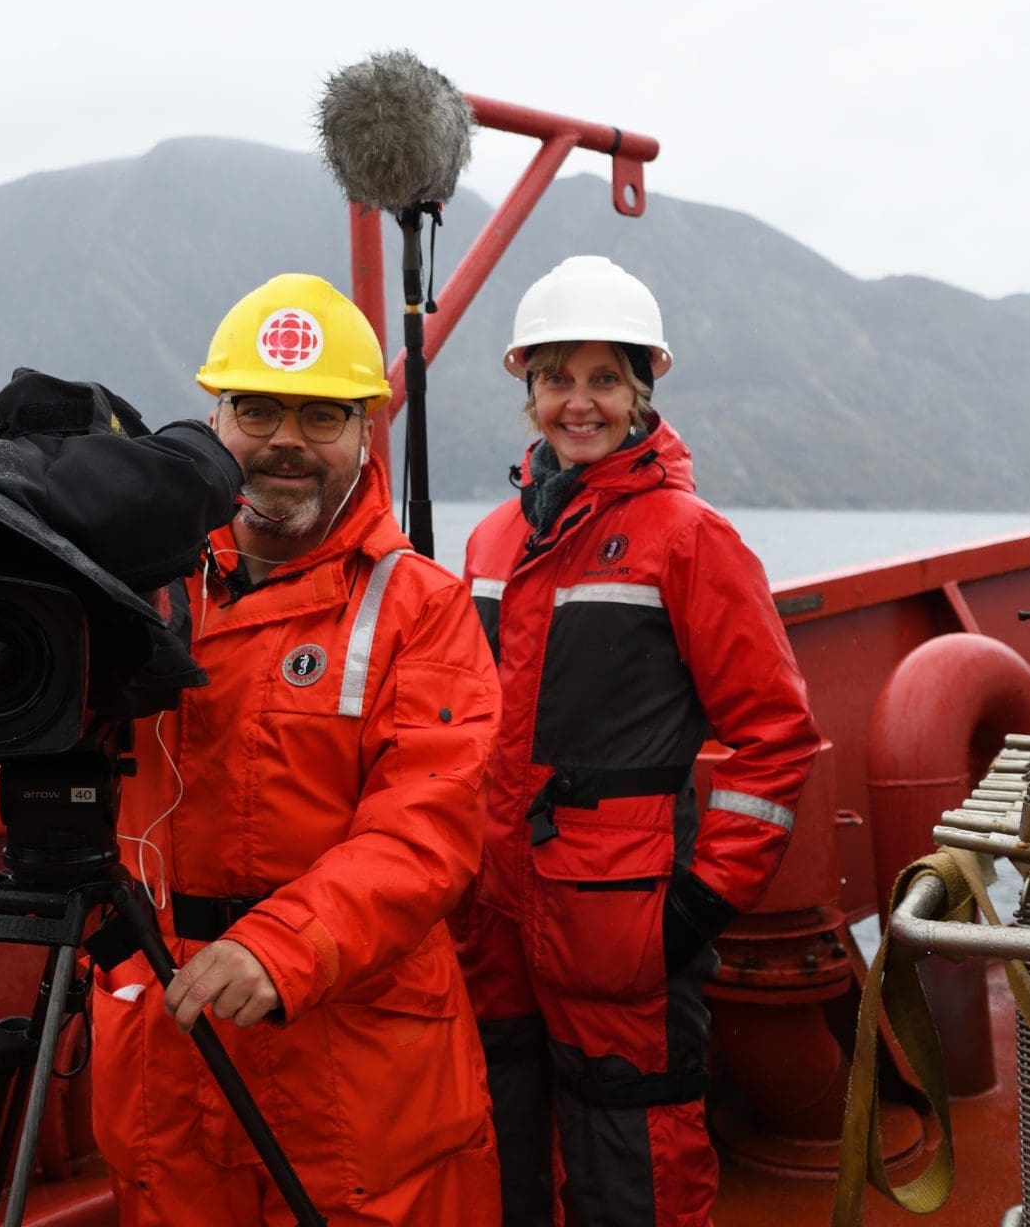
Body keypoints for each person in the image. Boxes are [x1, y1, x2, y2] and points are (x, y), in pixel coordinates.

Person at [89, 273, 503, 1225]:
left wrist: (280, 947)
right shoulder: (138, 587)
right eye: (258, 409)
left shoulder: (421, 610)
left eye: (321, 417)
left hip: (352, 1061)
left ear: (366, 434)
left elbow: (425, 835)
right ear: (214, 420)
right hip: (167, 1032)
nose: (285, 441)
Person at [458, 255, 820, 1226]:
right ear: (527, 390)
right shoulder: (491, 542)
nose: (580, 403)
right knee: (503, 1149)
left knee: (637, 1170)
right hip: (496, 915)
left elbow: (774, 735)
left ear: (641, 391)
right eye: (557, 378)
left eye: (604, 379)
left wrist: (700, 906)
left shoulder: (688, 538)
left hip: (625, 924)